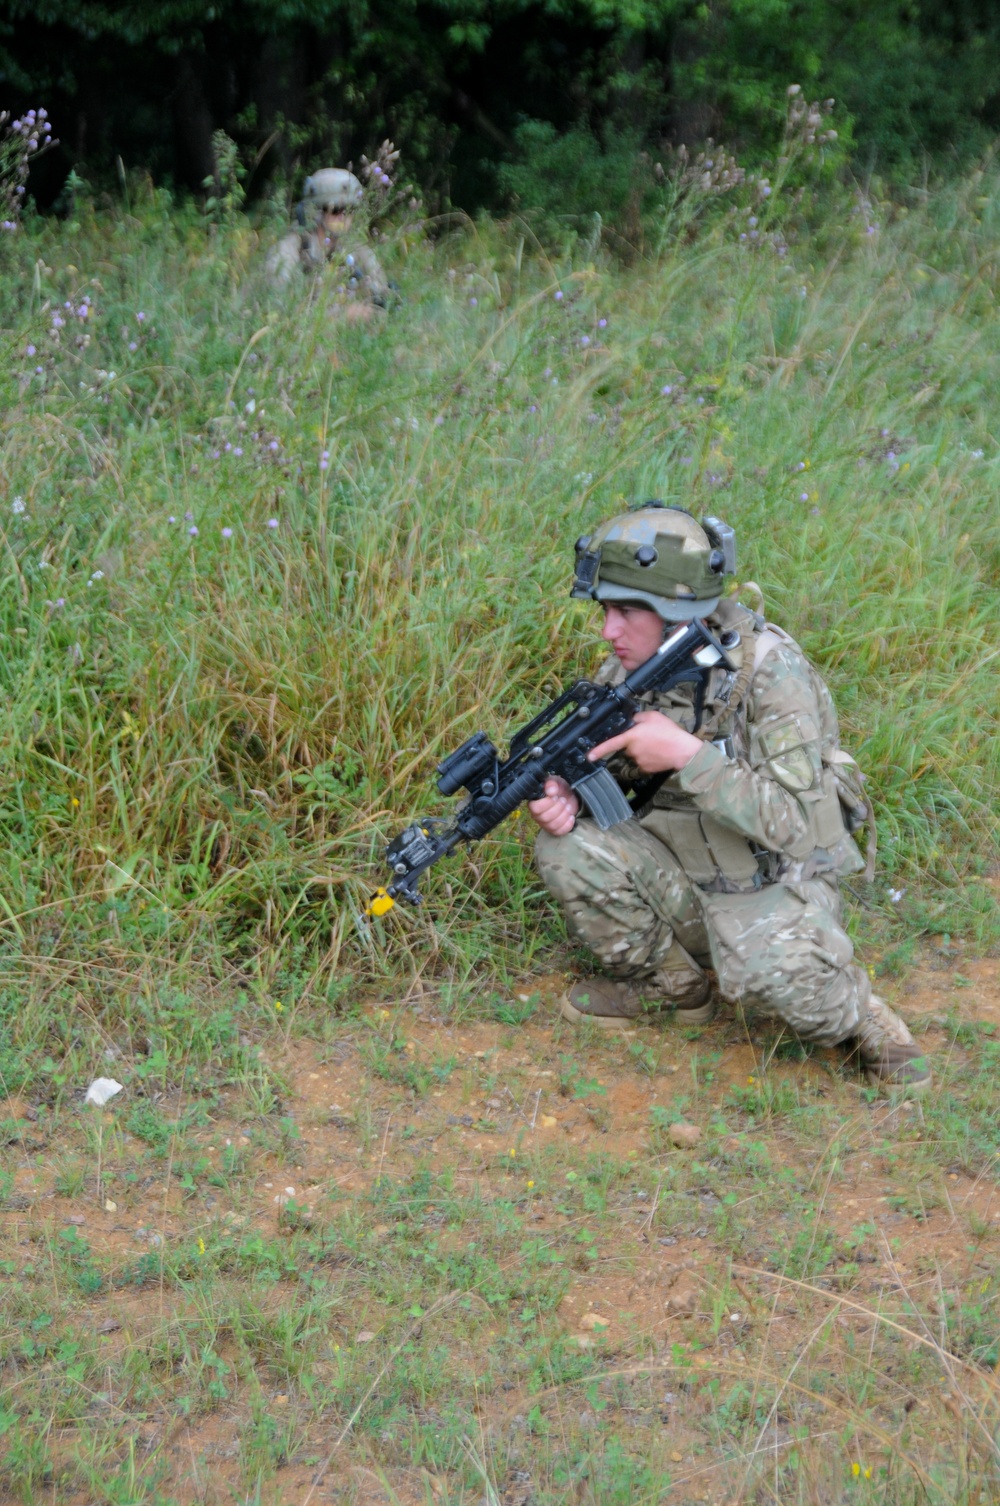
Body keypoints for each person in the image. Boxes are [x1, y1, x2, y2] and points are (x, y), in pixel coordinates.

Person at [527, 502, 931, 1096]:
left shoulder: (771, 675)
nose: (609, 631)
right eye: (605, 611)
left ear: (677, 613)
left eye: (626, 612)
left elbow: (799, 826)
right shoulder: (633, 669)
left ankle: (858, 1010)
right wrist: (568, 795)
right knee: (567, 846)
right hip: (684, 871)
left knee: (790, 990)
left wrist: (690, 757)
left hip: (772, 882)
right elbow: (613, 778)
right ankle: (675, 988)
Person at [267, 167, 391, 316]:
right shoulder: (288, 250)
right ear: (316, 211)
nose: (343, 216)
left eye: (351, 209)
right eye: (336, 209)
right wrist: (343, 315)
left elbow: (382, 296)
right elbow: (277, 306)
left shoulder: (355, 250)